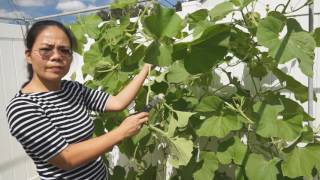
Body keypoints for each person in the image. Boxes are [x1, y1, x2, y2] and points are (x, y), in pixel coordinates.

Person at [5, 20, 150, 180]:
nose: (56, 56)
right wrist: (121, 132)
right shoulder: (22, 108)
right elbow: (67, 158)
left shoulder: (72, 89)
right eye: (46, 49)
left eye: (64, 50)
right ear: (29, 56)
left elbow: (117, 103)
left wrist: (145, 70)